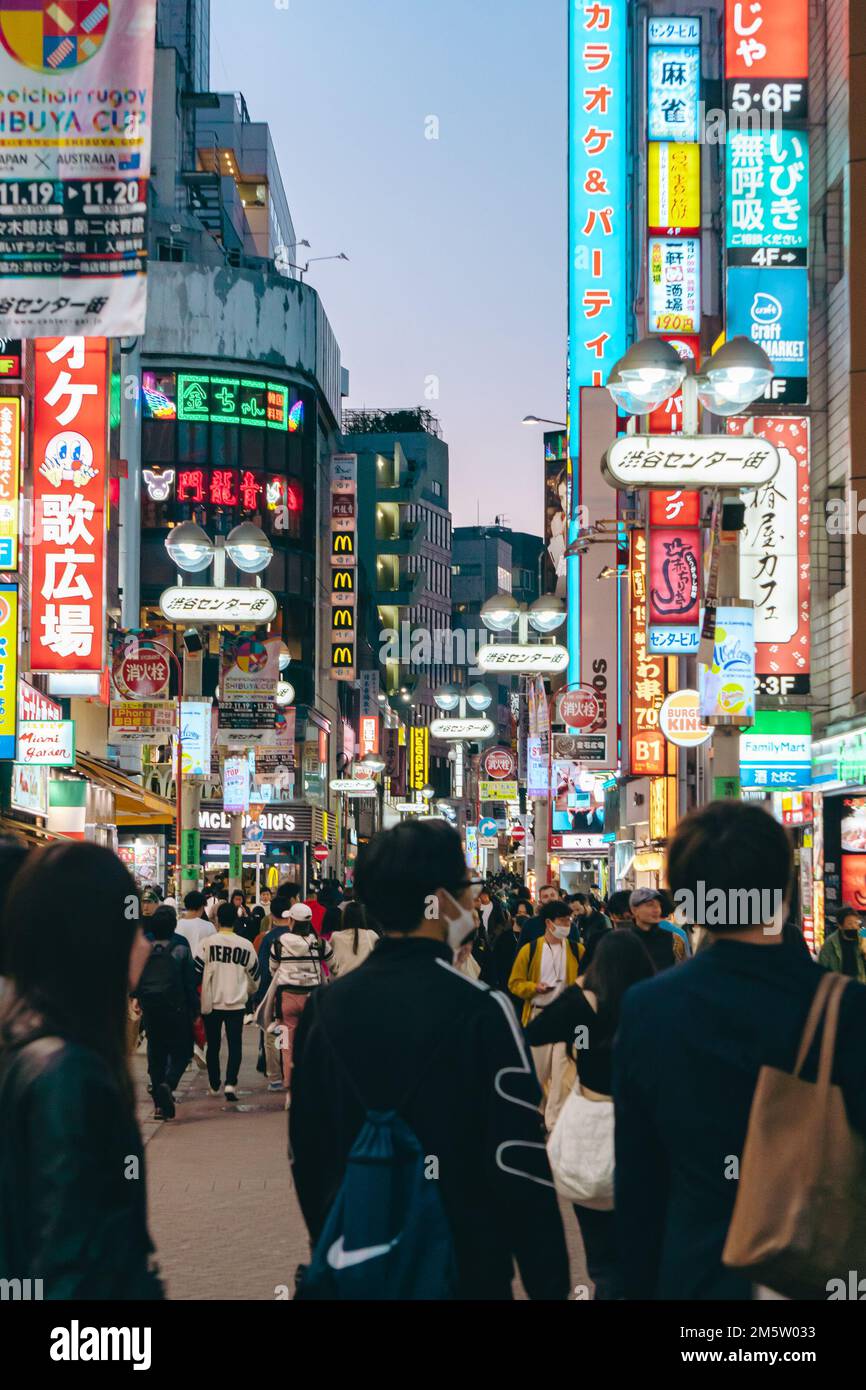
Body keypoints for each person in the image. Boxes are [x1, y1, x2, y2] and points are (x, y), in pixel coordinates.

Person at [290, 820, 570, 1300]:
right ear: (441, 900)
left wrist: (333, 1242)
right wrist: (550, 1284)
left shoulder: (326, 1009)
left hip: (356, 1267)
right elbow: (519, 1159)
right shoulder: (484, 1009)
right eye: (467, 888)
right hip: (466, 1267)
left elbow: (306, 1150)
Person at [614, 800, 866, 1300]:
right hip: (825, 1272)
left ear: (688, 899)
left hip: (697, 1272)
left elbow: (639, 1181)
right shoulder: (847, 1007)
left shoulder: (649, 1008)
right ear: (787, 890)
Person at [0, 842, 163, 1298]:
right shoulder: (68, 1076)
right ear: (96, 937)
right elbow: (68, 1265)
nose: (145, 944)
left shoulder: (33, 1050)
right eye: (132, 927)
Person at [526, 930, 654, 1298]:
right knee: (645, 1243)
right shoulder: (655, 1002)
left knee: (602, 1253)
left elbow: (533, 1033)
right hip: (645, 1129)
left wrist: (579, 986)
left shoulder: (581, 1005)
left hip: (593, 1126)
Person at [508, 900, 583, 1129]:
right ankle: (534, 1117)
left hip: (567, 1019)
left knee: (564, 1076)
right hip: (537, 1015)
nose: (567, 925)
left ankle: (554, 1124)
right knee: (537, 1074)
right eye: (562, 921)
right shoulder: (529, 950)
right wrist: (533, 988)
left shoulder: (576, 950)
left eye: (569, 920)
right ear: (549, 923)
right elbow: (514, 983)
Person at [134, 905, 199, 1120]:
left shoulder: (144, 943)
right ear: (173, 924)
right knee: (182, 1051)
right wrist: (195, 1008)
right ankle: (168, 1085)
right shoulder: (180, 945)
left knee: (156, 1052)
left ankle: (159, 1106)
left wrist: (136, 997)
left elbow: (135, 975)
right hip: (177, 1007)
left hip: (151, 1007)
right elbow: (190, 981)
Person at [194, 901, 260, 1101]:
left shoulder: (207, 943)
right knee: (235, 1044)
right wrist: (247, 992)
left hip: (212, 1002)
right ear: (236, 919)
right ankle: (231, 1083)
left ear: (217, 919)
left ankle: (215, 1083)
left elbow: (196, 972)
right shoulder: (245, 945)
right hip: (237, 1002)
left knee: (213, 1045)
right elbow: (256, 976)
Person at [265, 903, 333, 1092]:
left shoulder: (279, 943)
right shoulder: (319, 943)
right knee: (312, 1042)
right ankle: (311, 1084)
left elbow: (273, 970)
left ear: (292, 921)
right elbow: (333, 966)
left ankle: (290, 1087)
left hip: (286, 1000)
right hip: (312, 1000)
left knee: (286, 1045)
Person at [627, 887, 686, 971]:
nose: (656, 910)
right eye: (650, 905)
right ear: (634, 910)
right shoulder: (626, 940)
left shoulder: (672, 937)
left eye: (658, 905)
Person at [328, 900, 379, 977]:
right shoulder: (372, 935)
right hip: (365, 980)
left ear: (344, 917)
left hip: (341, 983)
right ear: (362, 916)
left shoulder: (335, 937)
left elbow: (329, 960)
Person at [819, 905, 866, 981]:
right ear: (840, 926)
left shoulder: (863, 935)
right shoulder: (830, 943)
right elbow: (821, 968)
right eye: (850, 924)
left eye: (856, 923)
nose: (854, 927)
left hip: (860, 986)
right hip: (840, 986)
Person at [176, 890, 213, 955]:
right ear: (202, 907)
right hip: (202, 964)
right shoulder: (209, 926)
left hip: (181, 963)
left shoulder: (177, 925)